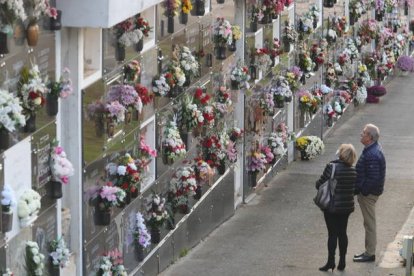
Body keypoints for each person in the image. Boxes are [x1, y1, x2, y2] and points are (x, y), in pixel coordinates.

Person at [316, 144, 357, 272]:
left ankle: (330, 262)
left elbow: (320, 184)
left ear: (341, 154)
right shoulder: (353, 170)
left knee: (332, 233)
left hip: (332, 206)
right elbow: (355, 189)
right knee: (342, 233)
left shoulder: (331, 167)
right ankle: (342, 261)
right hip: (347, 207)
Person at [353, 124, 386, 263]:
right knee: (368, 223)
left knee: (369, 224)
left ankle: (370, 253)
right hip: (369, 193)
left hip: (368, 194)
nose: (361, 134)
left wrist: (362, 190)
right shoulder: (372, 150)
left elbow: (373, 178)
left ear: (370, 137)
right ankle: (368, 251)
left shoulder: (372, 154)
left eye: (364, 133)